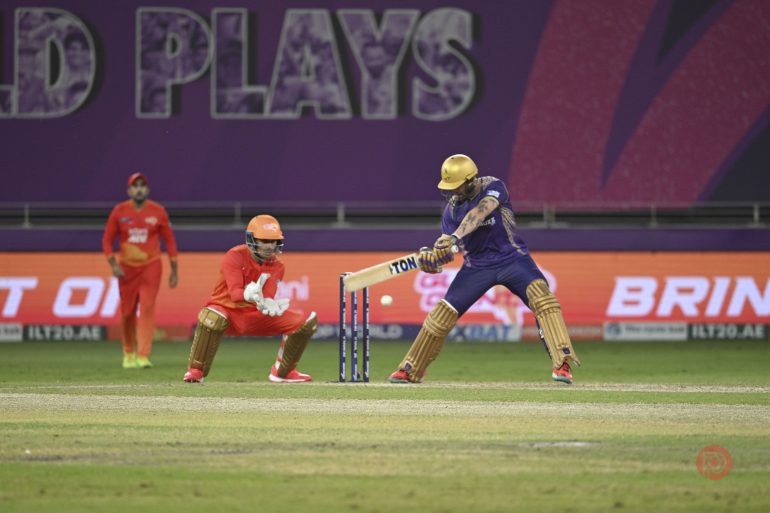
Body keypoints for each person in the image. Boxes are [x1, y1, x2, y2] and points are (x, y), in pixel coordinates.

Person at [388, 154, 581, 384]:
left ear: (470, 180)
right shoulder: (451, 211)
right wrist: (433, 260)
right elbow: (448, 252)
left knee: (542, 298)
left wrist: (454, 237)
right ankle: (410, 369)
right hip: (477, 266)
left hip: (512, 259)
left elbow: (480, 212)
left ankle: (562, 363)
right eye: (449, 188)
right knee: (441, 314)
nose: (453, 192)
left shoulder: (493, 186)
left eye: (457, 186)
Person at [182, 215, 317, 384]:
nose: (270, 246)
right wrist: (250, 294)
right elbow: (235, 294)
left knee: (304, 322)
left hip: (254, 316)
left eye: (273, 241)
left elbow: (266, 297)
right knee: (212, 317)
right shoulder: (234, 256)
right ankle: (196, 370)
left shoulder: (278, 266)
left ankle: (283, 372)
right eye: (264, 241)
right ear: (251, 239)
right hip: (227, 312)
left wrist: (268, 303)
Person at [102, 172, 179, 369]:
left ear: (148, 190)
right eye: (135, 186)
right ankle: (128, 352)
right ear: (129, 190)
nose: (139, 189)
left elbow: (169, 241)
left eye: (142, 186)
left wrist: (174, 269)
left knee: (147, 308)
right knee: (127, 312)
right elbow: (107, 240)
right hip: (126, 269)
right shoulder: (119, 211)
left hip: (151, 267)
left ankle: (143, 355)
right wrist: (113, 265)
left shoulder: (158, 211)